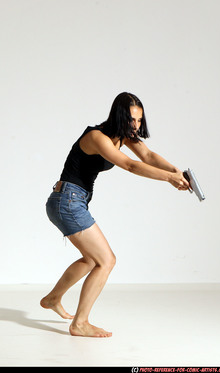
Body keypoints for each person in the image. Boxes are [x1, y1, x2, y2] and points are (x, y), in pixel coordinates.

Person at [41, 92, 190, 338]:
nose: (136, 126)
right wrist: (169, 179)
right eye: (131, 119)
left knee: (91, 259)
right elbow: (130, 165)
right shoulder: (97, 137)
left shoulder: (124, 136)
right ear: (119, 116)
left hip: (72, 201)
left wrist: (176, 171)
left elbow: (148, 156)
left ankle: (52, 299)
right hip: (67, 201)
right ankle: (80, 323)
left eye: (139, 120)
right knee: (106, 260)